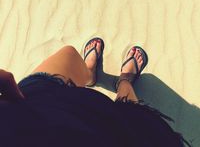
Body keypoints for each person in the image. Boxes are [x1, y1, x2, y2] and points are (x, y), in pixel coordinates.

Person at [0, 37, 192, 147]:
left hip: (29, 111)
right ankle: (124, 82)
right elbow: (5, 78)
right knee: (129, 118)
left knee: (69, 55)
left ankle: (89, 75)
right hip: (36, 110)